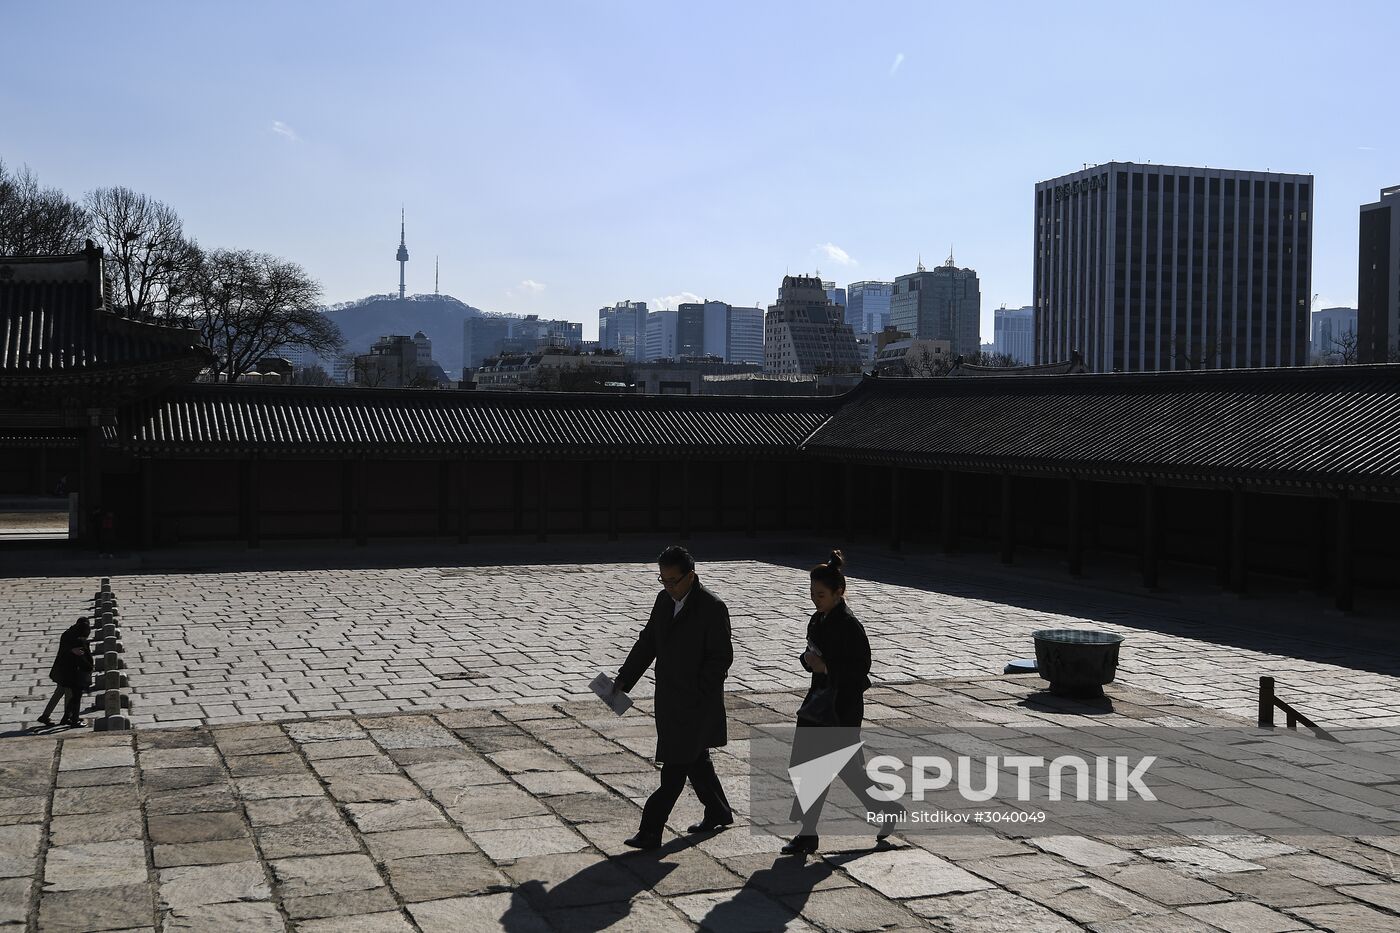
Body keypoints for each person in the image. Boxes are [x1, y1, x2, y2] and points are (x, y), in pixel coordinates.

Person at [612, 545, 734, 850]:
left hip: (696, 704)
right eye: (663, 580)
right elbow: (648, 643)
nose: (668, 587)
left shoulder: (712, 607)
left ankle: (651, 830)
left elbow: (720, 660)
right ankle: (718, 810)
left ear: (691, 576)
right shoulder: (663, 601)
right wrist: (624, 680)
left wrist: (698, 692)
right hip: (669, 700)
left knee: (675, 769)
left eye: (674, 581)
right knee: (696, 761)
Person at [782, 550, 899, 855]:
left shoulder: (850, 626)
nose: (815, 599)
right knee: (825, 767)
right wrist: (809, 662)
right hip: (817, 702)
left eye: (820, 594)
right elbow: (812, 652)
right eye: (812, 593)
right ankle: (885, 809)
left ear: (839, 592)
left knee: (825, 768)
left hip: (841, 706)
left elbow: (861, 669)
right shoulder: (818, 619)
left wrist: (827, 667)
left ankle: (808, 834)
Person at [37, 617, 92, 728]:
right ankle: (69, 717)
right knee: (69, 694)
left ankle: (46, 716)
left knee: (59, 693)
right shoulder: (78, 640)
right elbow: (82, 658)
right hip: (70, 672)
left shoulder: (67, 633)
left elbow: (64, 650)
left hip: (61, 669)